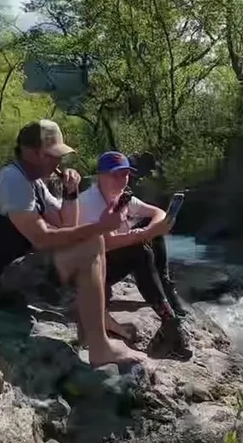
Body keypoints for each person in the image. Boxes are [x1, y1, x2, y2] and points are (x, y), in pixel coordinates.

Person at [0, 121, 146, 367]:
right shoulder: (12, 180)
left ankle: (90, 335)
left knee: (93, 241)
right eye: (52, 155)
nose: (58, 161)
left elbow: (66, 224)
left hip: (9, 271)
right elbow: (43, 238)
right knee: (92, 243)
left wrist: (71, 192)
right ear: (32, 153)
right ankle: (100, 348)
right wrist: (102, 226)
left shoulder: (34, 181)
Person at [78, 151, 191, 360]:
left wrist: (152, 229)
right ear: (100, 176)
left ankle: (166, 298)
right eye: (115, 175)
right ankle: (170, 323)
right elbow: (105, 243)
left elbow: (157, 213)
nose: (122, 180)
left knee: (150, 233)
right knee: (139, 250)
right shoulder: (89, 203)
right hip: (87, 271)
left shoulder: (121, 197)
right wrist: (143, 235)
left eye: (125, 174)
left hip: (104, 262)